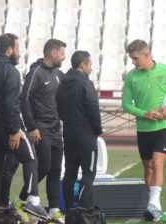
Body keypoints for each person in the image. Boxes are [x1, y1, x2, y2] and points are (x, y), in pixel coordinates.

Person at [0, 33, 48, 222]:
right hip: (9, 130)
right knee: (31, 159)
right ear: (9, 50)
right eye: (18, 48)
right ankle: (33, 200)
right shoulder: (10, 72)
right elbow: (10, 104)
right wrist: (15, 130)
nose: (19, 53)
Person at [122, 39, 166, 222]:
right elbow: (125, 104)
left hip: (164, 127)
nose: (133, 61)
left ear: (146, 55)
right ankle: (154, 205)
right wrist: (143, 114)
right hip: (144, 129)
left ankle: (154, 204)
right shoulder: (131, 77)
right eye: (131, 58)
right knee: (148, 169)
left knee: (157, 163)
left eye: (135, 58)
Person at [20, 38, 66, 223]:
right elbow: (25, 100)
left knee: (55, 170)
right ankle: (23, 200)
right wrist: (32, 127)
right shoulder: (35, 73)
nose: (63, 57)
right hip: (40, 129)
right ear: (53, 53)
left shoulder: (59, 74)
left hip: (56, 129)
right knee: (45, 167)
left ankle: (54, 209)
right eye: (62, 53)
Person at [55, 51, 102, 211]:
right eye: (90, 64)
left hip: (69, 136)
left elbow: (59, 109)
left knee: (70, 174)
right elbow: (93, 110)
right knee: (88, 175)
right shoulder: (85, 83)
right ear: (83, 65)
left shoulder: (63, 83)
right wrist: (97, 130)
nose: (91, 68)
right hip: (86, 137)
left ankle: (69, 211)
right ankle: (83, 210)